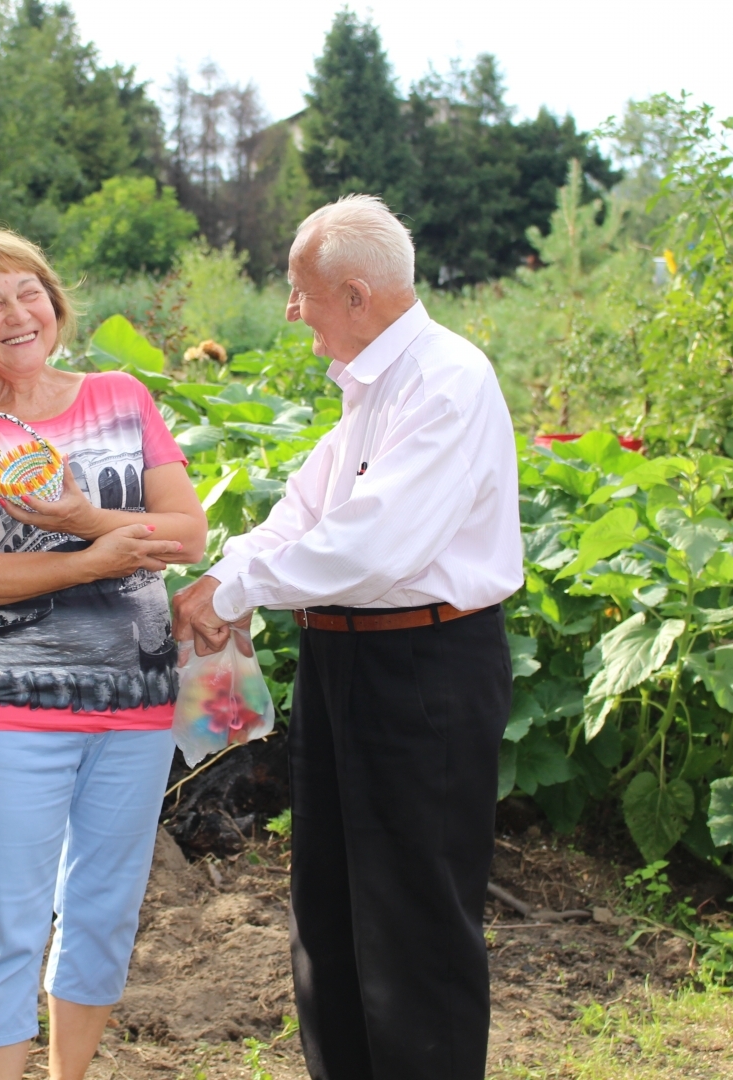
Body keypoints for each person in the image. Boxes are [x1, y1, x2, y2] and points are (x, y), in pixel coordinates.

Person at [172, 194, 522, 1080]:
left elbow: (373, 546)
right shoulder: (368, 392)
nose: (292, 311)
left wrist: (237, 588)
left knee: (414, 913)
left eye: (301, 292)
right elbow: (304, 510)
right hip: (343, 661)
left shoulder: (447, 380)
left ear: (357, 295)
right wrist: (230, 575)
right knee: (326, 905)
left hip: (424, 667)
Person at [0, 228, 208, 1080]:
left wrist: (83, 521)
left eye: (28, 291)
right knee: (6, 916)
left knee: (104, 910)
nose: (17, 313)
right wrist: (90, 561)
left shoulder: (121, 398)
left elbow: (188, 533)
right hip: (13, 706)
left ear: (53, 302)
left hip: (137, 701)